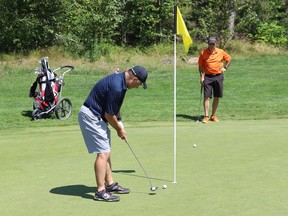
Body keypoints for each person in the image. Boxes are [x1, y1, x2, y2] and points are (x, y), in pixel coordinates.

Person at [78, 66, 148, 202]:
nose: (138, 87)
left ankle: (109, 185)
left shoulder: (120, 82)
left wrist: (120, 124)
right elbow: (109, 115)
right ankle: (100, 191)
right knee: (103, 153)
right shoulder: (117, 86)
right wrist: (119, 130)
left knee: (106, 151)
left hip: (97, 116)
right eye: (139, 84)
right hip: (91, 116)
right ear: (134, 79)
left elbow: (114, 108)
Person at [198, 36, 232, 124]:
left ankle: (213, 115)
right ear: (208, 44)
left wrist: (225, 67)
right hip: (207, 77)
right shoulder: (203, 53)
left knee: (217, 96)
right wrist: (201, 77)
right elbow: (201, 66)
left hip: (218, 76)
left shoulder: (220, 52)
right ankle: (206, 116)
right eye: (210, 44)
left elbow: (229, 59)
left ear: (215, 44)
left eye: (213, 44)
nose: (212, 45)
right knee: (206, 96)